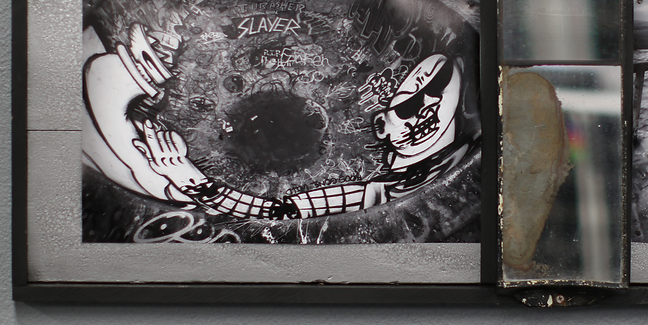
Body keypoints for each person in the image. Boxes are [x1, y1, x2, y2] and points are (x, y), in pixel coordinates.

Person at [134, 54, 472, 220]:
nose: (429, 105)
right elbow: (278, 211)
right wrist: (195, 183)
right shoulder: (374, 191)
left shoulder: (451, 159)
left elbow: (278, 211)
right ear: (382, 125)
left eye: (438, 87)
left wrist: (193, 182)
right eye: (411, 103)